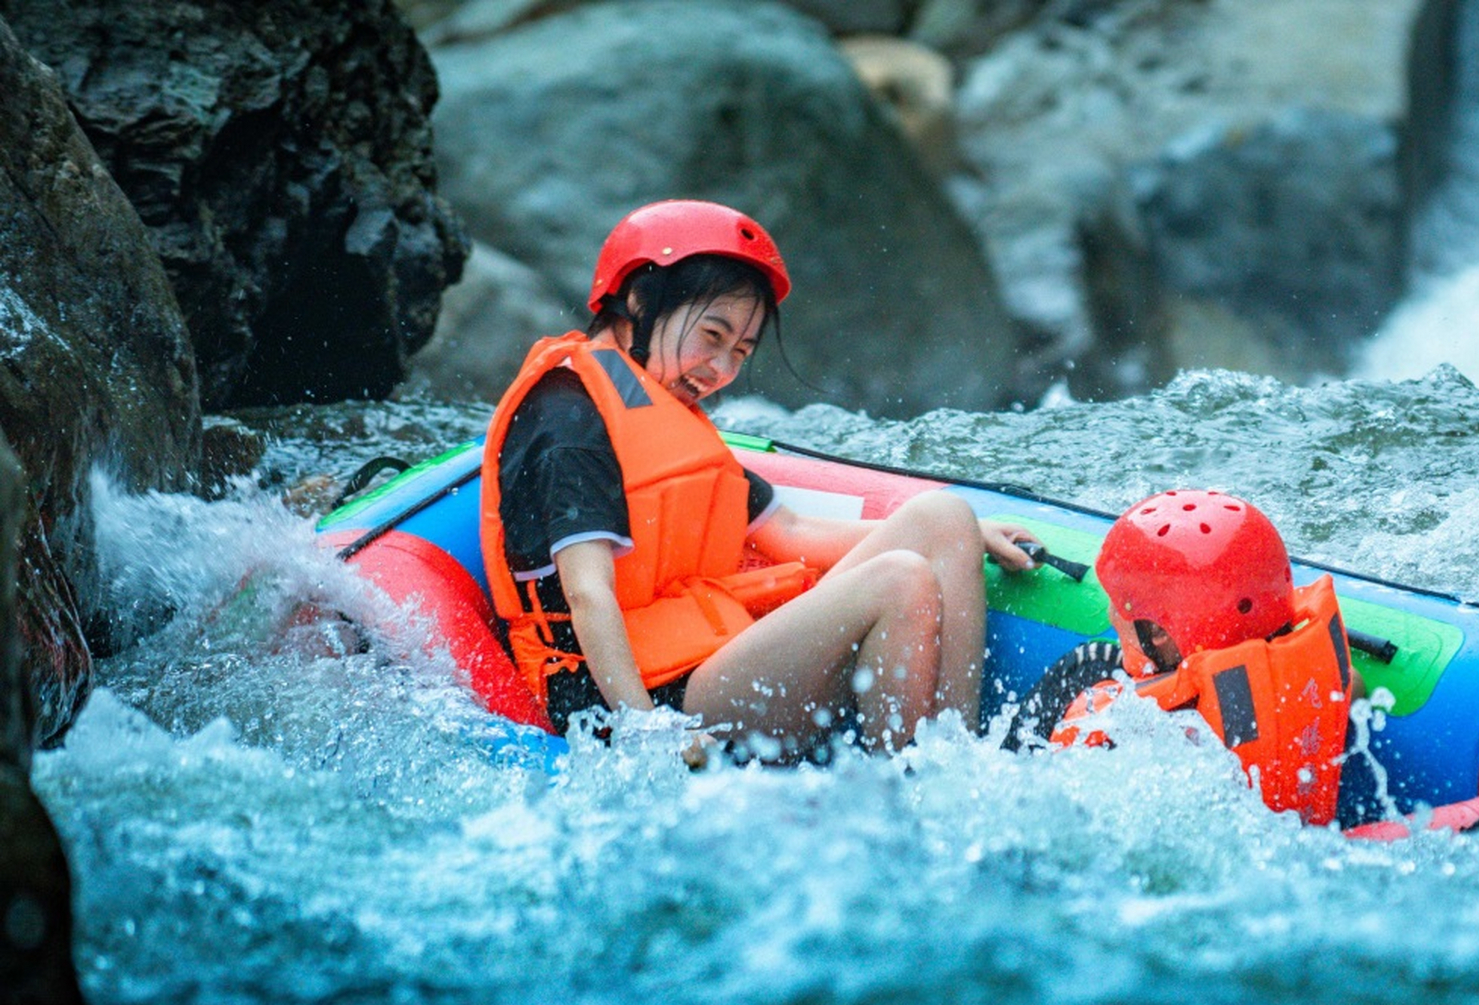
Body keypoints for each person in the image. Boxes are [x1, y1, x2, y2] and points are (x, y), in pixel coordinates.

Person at [478, 199, 1036, 758]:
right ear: (640, 300)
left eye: (740, 351)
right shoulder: (568, 420)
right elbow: (587, 593)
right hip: (631, 698)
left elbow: (788, 529)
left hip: (706, 654)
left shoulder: (656, 408)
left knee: (946, 518)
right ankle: (915, 782)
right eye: (712, 336)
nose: (721, 370)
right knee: (899, 578)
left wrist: (968, 539)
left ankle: (959, 759)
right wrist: (648, 734)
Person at [1057, 490, 1358, 823]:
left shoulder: (1132, 739)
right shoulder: (1329, 680)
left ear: (1158, 633)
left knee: (1089, 662)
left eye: (1117, 601)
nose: (1112, 614)